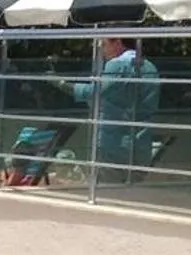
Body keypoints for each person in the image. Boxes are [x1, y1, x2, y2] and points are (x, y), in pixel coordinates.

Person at [66, 36, 162, 176]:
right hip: (141, 141)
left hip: (114, 142)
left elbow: (97, 91)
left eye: (104, 45)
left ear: (117, 42)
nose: (102, 51)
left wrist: (64, 85)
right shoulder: (149, 66)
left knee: (107, 188)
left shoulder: (118, 64)